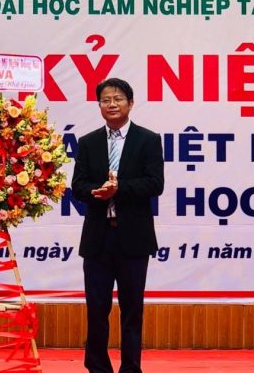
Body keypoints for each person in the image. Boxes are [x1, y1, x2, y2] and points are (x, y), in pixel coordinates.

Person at [71, 78, 164, 373]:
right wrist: (96, 192)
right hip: (98, 237)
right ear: (99, 105)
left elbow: (155, 184)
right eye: (106, 100)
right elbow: (77, 186)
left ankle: (130, 368)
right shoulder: (88, 142)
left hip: (133, 238)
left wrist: (119, 188)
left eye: (118, 99)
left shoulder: (148, 140)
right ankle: (97, 366)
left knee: (132, 310)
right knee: (97, 309)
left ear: (130, 103)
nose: (112, 104)